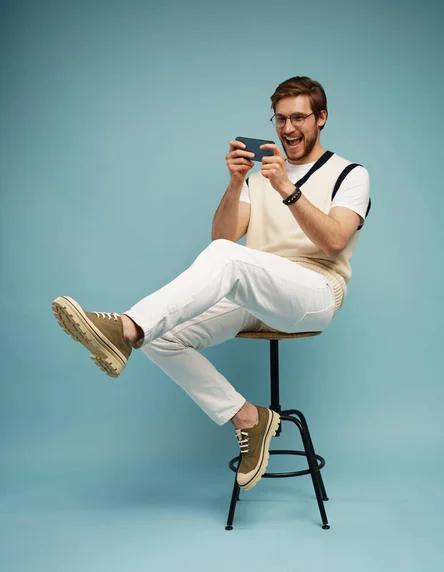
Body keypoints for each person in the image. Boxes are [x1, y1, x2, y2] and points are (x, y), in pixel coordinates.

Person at [52, 76, 370, 492]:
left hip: (315, 290)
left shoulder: (351, 174)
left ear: (321, 118)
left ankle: (124, 327)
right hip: (255, 289)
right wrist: (238, 182)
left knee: (216, 269)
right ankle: (248, 419)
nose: (288, 129)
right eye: (280, 119)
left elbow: (333, 240)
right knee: (163, 336)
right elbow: (222, 242)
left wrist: (286, 189)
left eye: (298, 118)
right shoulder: (259, 179)